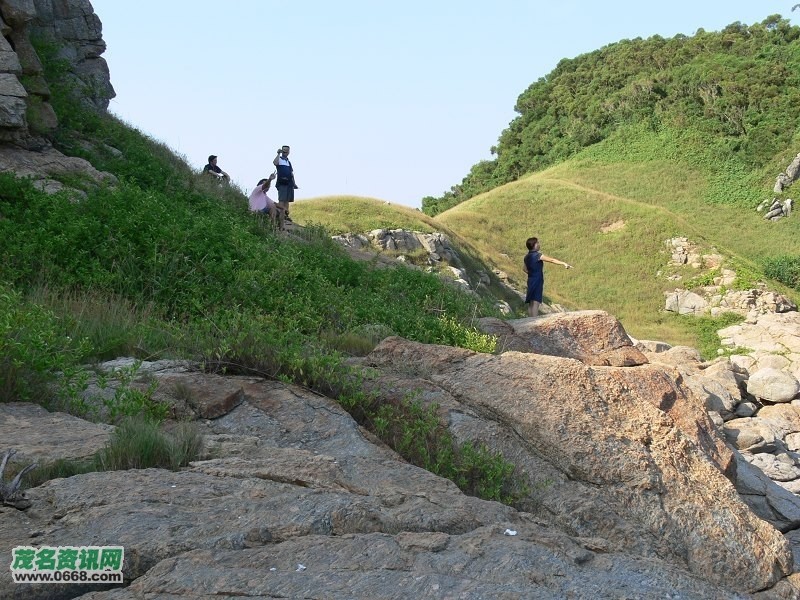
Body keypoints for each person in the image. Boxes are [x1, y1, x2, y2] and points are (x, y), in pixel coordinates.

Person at [523, 236, 572, 318]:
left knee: (531, 301)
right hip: (537, 279)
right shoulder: (538, 255)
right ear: (534, 245)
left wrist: (532, 273)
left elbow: (524, 269)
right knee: (536, 301)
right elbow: (552, 260)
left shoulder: (526, 257)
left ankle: (529, 318)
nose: (539, 244)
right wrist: (563, 263)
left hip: (530, 279)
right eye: (537, 243)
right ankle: (534, 319)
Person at [272, 145, 298, 222]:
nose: (285, 152)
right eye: (283, 151)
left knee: (287, 200)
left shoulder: (288, 162)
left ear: (289, 152)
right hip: (282, 182)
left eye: (286, 151)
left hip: (289, 183)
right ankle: (280, 215)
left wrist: (294, 183)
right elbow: (275, 163)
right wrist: (278, 154)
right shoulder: (279, 159)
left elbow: (291, 173)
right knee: (282, 200)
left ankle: (286, 215)